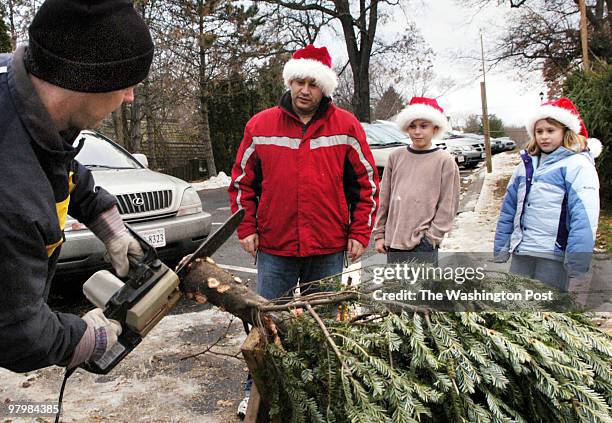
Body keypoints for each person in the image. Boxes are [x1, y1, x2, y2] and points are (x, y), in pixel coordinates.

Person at [0, 0, 154, 372]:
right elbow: (15, 333)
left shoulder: (19, 88)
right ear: (87, 81)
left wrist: (107, 223)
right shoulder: (11, 195)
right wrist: (82, 336)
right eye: (126, 83)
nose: (130, 96)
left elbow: (57, 160)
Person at [228, 44, 379, 417]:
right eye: (298, 81)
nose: (304, 90)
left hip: (327, 246)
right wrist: (247, 227)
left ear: (324, 88)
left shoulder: (346, 126)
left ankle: (318, 390)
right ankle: (256, 389)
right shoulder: (260, 125)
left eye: (313, 83)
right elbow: (242, 182)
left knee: (321, 324)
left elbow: (366, 184)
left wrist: (360, 232)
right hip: (276, 246)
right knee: (267, 323)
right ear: (289, 82)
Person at [494, 97, 601, 291]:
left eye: (551, 131)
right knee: (515, 303)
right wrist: (502, 245)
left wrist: (578, 258)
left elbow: (584, 215)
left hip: (553, 254)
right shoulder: (525, 165)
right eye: (539, 131)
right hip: (523, 249)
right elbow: (508, 208)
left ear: (565, 131)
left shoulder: (577, 165)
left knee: (546, 307)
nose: (544, 136)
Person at [373, 97, 460, 265]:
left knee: (422, 290)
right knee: (397, 289)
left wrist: (431, 238)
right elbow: (384, 198)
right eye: (412, 126)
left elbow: (448, 205)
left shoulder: (445, 160)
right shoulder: (396, 157)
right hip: (394, 241)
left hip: (422, 243)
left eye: (423, 126)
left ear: (435, 128)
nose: (417, 131)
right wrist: (380, 234)